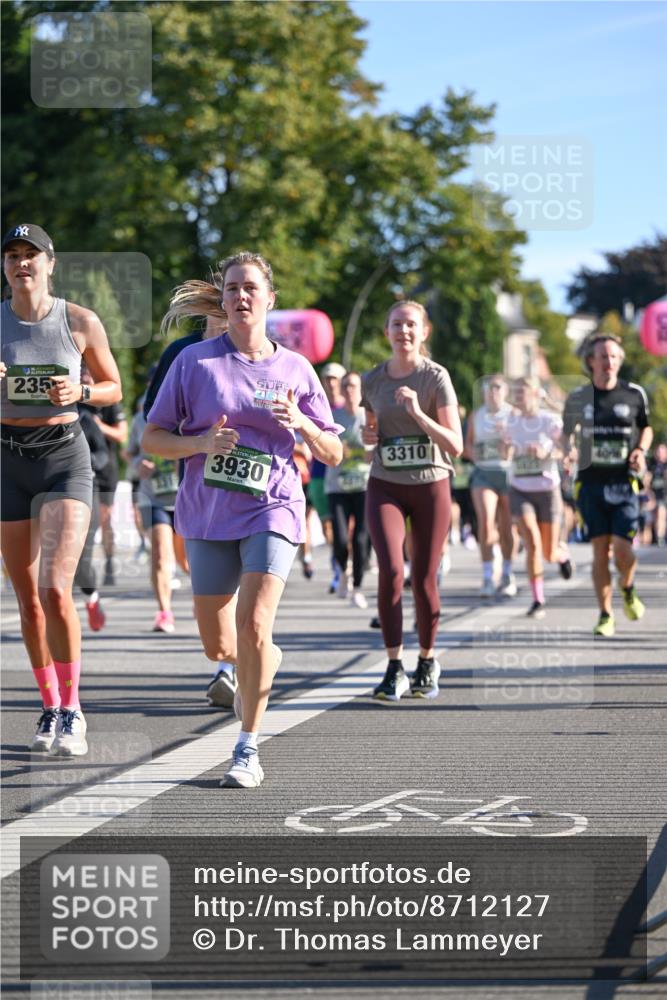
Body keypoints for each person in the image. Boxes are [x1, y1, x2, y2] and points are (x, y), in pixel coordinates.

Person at [142, 251, 342, 787]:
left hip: (272, 504)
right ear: (223, 299)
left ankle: (247, 747)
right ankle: (256, 657)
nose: (240, 297)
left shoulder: (297, 368)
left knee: (255, 624)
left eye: (251, 288)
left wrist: (301, 421)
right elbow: (152, 438)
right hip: (207, 513)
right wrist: (201, 442)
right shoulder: (193, 362)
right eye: (231, 289)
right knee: (220, 645)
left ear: (270, 299)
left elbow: (333, 452)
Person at [0, 223, 122, 755]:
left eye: (32, 255)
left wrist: (84, 389)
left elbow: (115, 385)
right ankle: (48, 704)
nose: (22, 263)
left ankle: (73, 708)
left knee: (55, 587)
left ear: (51, 264)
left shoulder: (78, 320)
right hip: (7, 460)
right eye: (12, 255)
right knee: (27, 601)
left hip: (64, 458)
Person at [362, 300, 462, 701]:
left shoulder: (435, 377)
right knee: (389, 571)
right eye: (396, 324)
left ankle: (427, 660)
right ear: (386, 331)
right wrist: (367, 439)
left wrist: (419, 414)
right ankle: (393, 667)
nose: (403, 331)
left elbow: (455, 443)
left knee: (422, 578)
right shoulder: (373, 380)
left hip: (430, 484)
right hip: (385, 482)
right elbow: (370, 436)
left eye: (411, 325)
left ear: (424, 332)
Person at [562, 334, 652, 636]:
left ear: (620, 361)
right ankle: (605, 614)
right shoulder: (577, 397)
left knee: (624, 551)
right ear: (591, 361)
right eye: (602, 356)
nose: (608, 362)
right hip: (590, 484)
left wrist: (640, 451)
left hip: (624, 483)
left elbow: (646, 429)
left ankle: (627, 587)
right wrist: (569, 451)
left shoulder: (634, 394)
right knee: (600, 551)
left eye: (613, 357)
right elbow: (566, 435)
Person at [506, 376, 572, 619]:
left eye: (522, 392)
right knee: (532, 543)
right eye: (515, 393)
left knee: (549, 552)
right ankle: (537, 599)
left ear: (535, 394)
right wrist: (506, 447)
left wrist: (547, 452)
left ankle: (562, 555)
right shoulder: (510, 421)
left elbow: (567, 447)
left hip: (547, 490)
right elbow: (503, 451)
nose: (518, 397)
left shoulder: (549, 420)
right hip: (520, 488)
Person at [465, 374, 517, 598]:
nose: (493, 392)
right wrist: (473, 453)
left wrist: (510, 446)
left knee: (506, 527)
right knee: (486, 523)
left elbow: (521, 442)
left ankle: (507, 573)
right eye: (489, 388)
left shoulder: (513, 414)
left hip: (508, 474)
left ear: (505, 391)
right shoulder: (476, 415)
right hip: (484, 473)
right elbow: (467, 443)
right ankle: (487, 576)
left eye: (497, 388)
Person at [325, 370, 370, 608]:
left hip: (364, 487)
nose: (350, 390)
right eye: (346, 386)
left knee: (362, 539)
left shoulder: (370, 416)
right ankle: (343, 572)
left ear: (361, 390)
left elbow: (379, 450)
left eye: (354, 386)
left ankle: (358, 588)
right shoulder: (332, 417)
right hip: (338, 487)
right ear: (341, 391)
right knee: (341, 539)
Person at [311, 361, 346, 592]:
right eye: (327, 379)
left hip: (345, 475)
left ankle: (345, 566)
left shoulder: (352, 407)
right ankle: (339, 565)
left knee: (347, 526)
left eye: (335, 379)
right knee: (328, 526)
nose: (331, 383)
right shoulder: (315, 404)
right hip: (319, 472)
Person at [94, 398, 127, 585]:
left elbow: (122, 435)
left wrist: (98, 425)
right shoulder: (71, 396)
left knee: (105, 519)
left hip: (105, 469)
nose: (84, 375)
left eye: (88, 372)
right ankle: (79, 566)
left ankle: (108, 562)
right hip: (77, 468)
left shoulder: (109, 402)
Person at [648, 441, 667, 546]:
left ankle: (660, 536)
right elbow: (646, 480)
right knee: (657, 515)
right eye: (658, 451)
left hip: (665, 494)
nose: (660, 453)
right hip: (654, 494)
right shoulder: (652, 465)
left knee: (661, 514)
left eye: (662, 450)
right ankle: (658, 537)